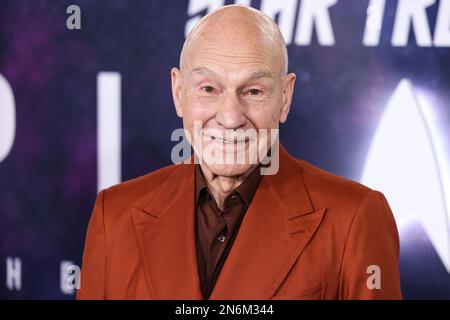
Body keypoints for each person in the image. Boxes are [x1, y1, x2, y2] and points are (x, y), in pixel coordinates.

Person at [77, 4, 402, 300]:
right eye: (208, 89)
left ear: (285, 97)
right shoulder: (114, 216)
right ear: (179, 93)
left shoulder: (354, 217)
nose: (231, 117)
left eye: (254, 91)